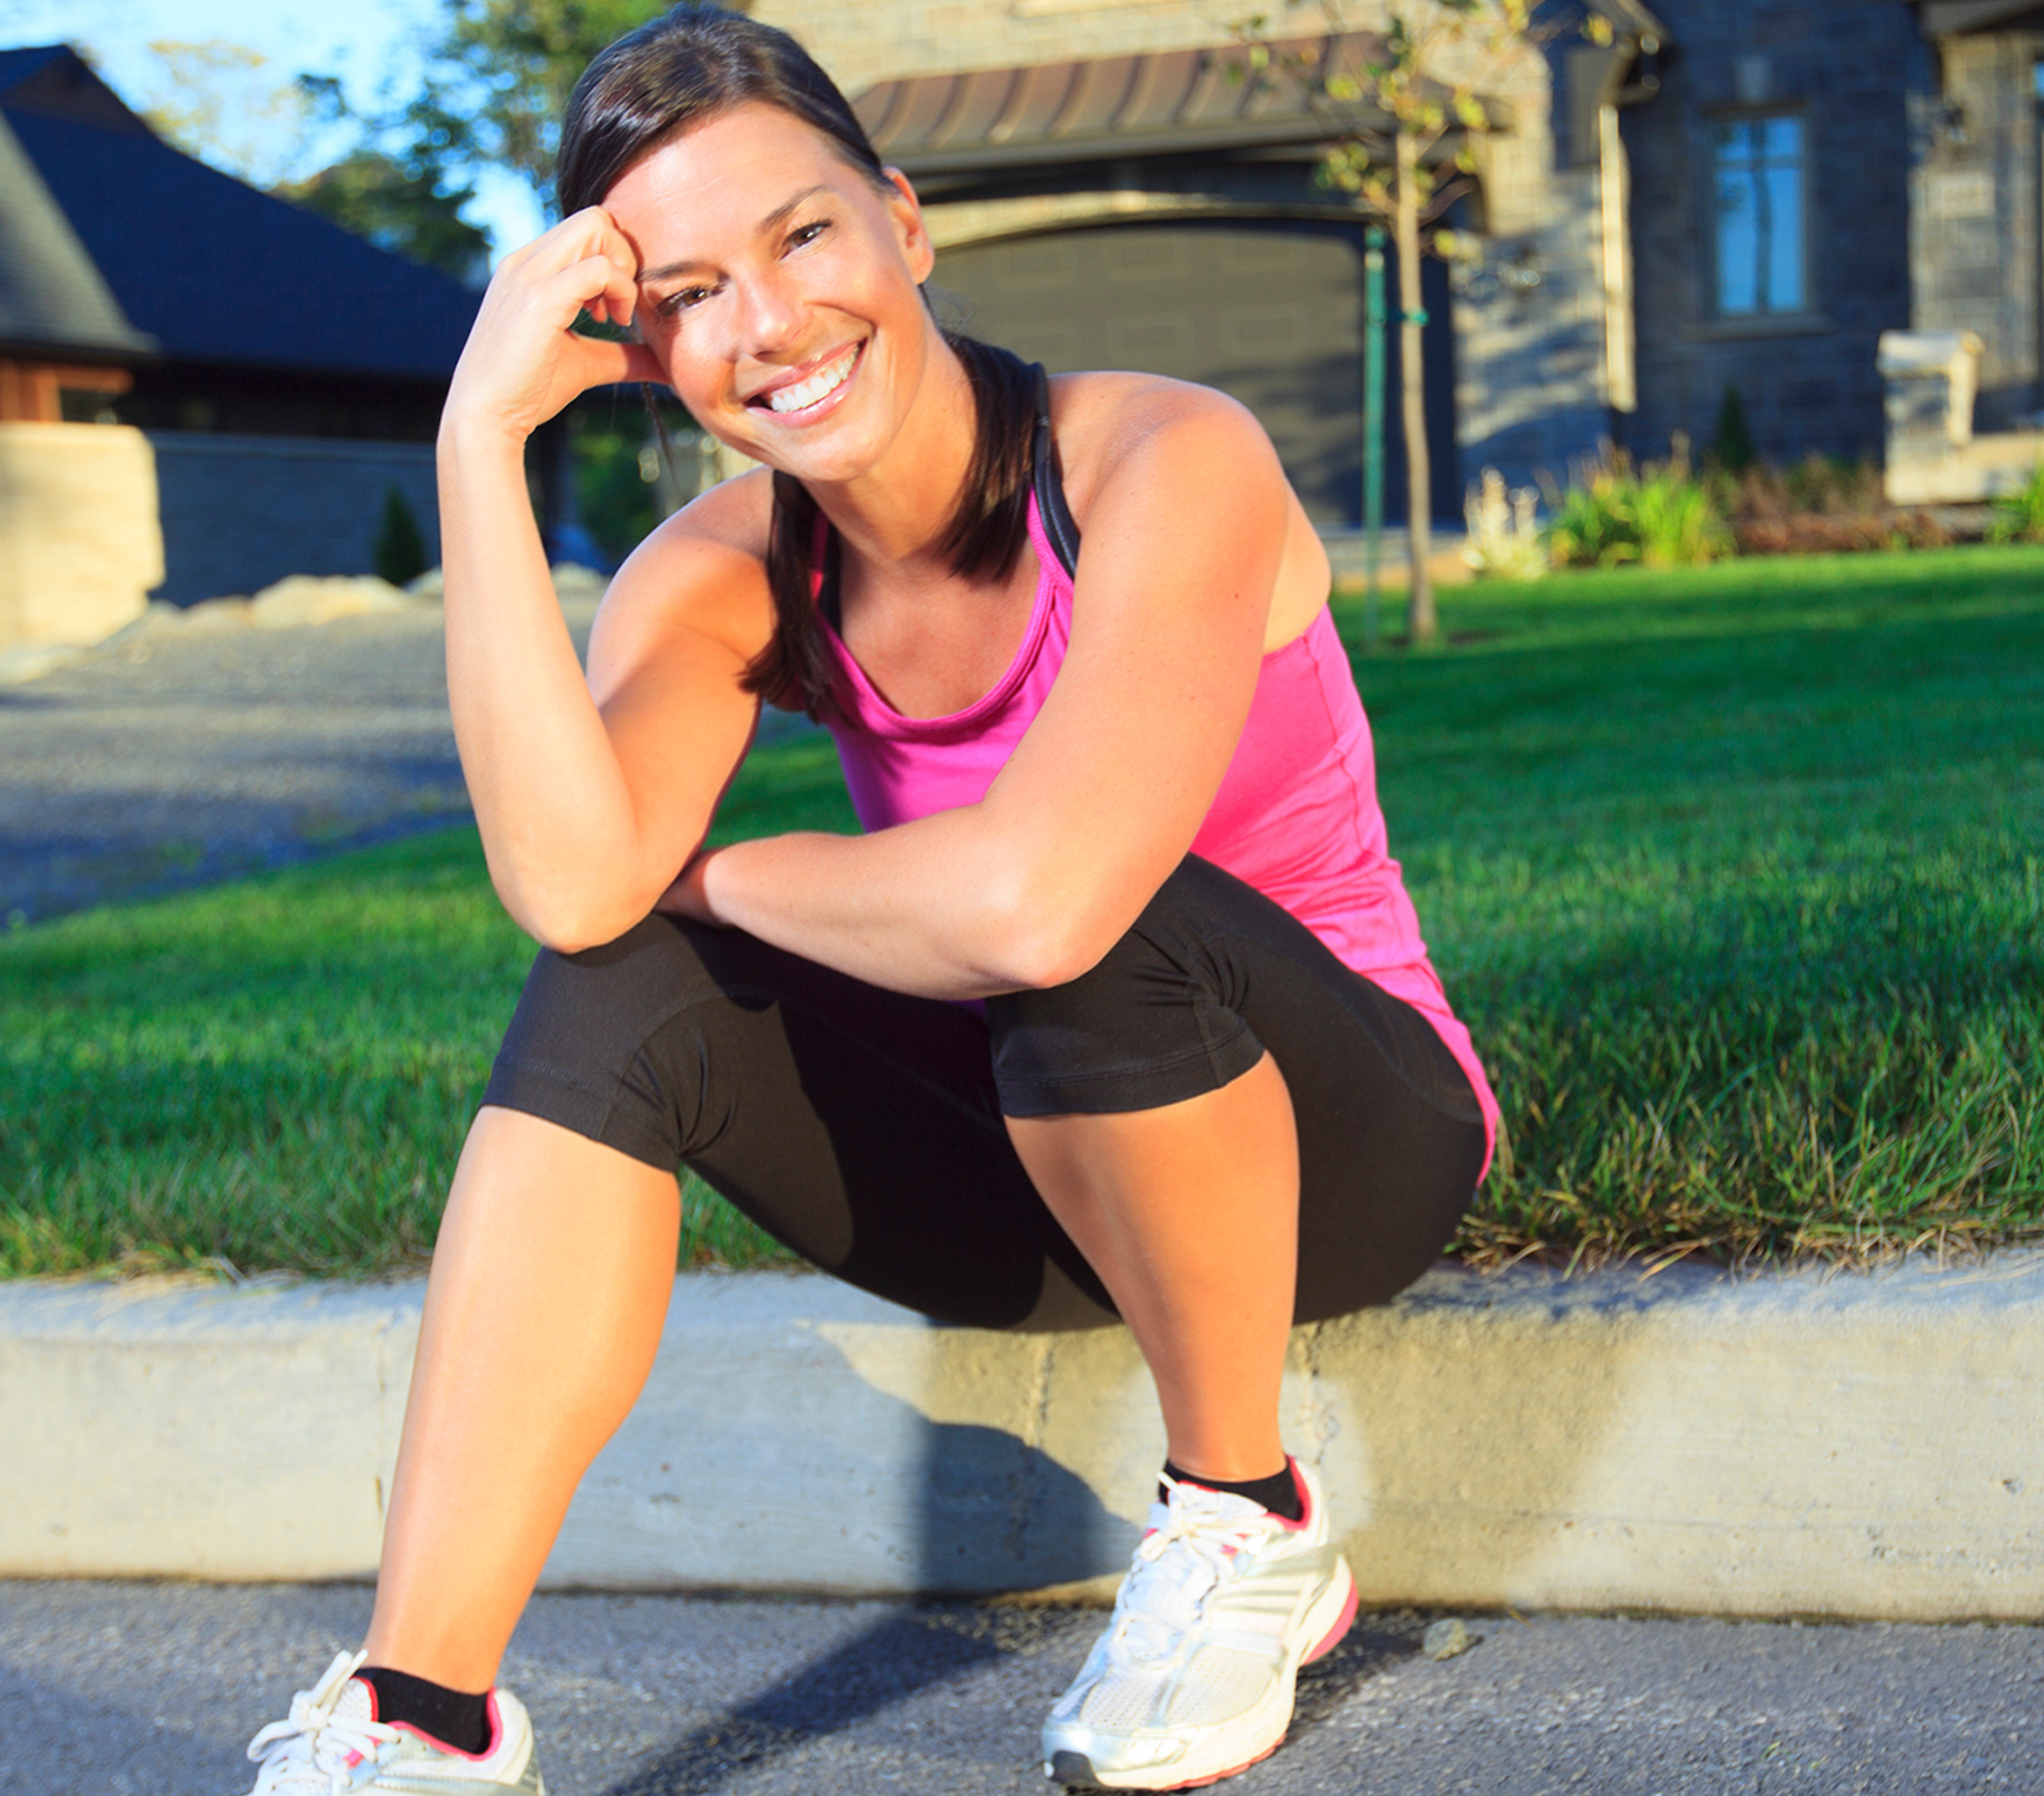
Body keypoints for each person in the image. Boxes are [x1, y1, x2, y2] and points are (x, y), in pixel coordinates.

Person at [233, 8, 1495, 1791]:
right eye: (685, 294)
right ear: (635, 343)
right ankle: (419, 1717)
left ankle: (1244, 1516)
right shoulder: (718, 572)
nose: (767, 326)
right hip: (1039, 1160)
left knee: (1068, 906)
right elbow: (567, 885)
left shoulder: (1160, 459)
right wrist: (472, 444)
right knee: (619, 981)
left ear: (904, 223)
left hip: (1341, 1146)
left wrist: (720, 870)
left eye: (801, 236)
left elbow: (1047, 905)